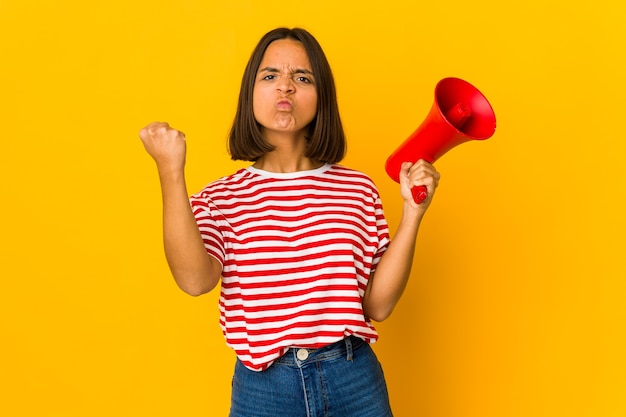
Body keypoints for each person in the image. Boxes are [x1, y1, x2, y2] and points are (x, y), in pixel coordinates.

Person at [139, 27, 439, 417]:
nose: (286, 88)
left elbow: (378, 306)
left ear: (321, 96)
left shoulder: (357, 189)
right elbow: (194, 281)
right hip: (263, 389)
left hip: (353, 380)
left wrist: (413, 215)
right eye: (270, 76)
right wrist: (170, 172)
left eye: (302, 77)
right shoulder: (221, 197)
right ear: (251, 93)